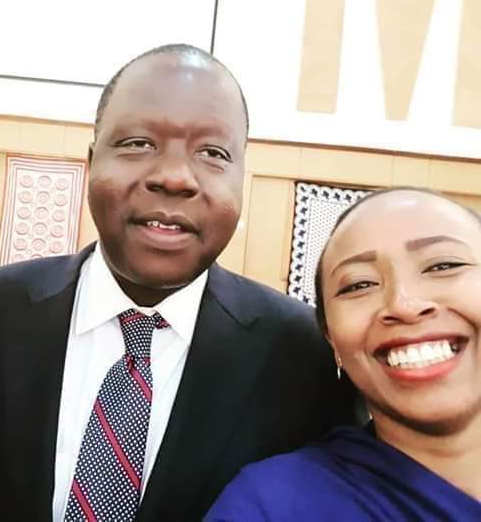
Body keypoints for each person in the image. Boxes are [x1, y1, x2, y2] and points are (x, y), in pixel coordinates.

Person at [0, 44, 355, 521]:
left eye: (213, 153)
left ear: (241, 179)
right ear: (91, 161)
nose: (174, 177)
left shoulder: (301, 351)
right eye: (138, 144)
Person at [206, 187, 481, 521]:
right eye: (359, 285)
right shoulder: (276, 506)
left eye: (443, 265)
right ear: (332, 340)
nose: (403, 305)